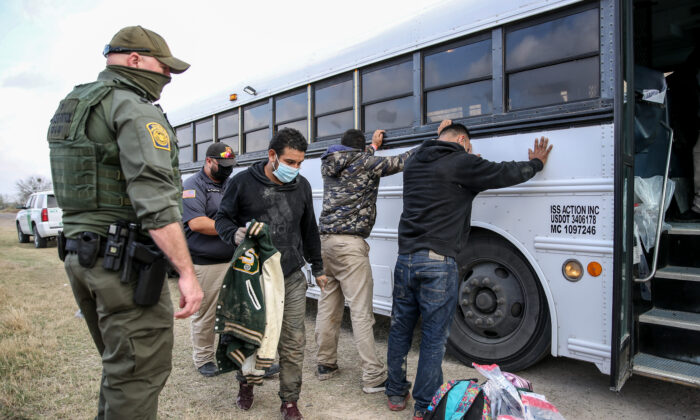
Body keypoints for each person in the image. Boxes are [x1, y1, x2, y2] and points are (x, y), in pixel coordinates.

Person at [47, 26, 203, 419]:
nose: (166, 77)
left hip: (82, 255)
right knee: (138, 373)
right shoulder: (132, 107)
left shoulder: (76, 102)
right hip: (122, 263)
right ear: (134, 59)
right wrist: (186, 272)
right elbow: (153, 199)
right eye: (163, 67)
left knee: (120, 369)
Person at [385, 120, 553, 420]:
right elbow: (503, 172)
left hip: (405, 260)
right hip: (437, 262)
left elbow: (436, 155)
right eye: (468, 145)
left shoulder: (414, 163)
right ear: (462, 140)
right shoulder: (460, 162)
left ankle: (395, 392)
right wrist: (535, 164)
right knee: (435, 337)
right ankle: (424, 407)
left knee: (400, 329)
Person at [214, 127, 327, 420]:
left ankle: (290, 400)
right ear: (272, 155)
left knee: (293, 340)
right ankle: (246, 383)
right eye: (290, 162)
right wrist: (234, 234)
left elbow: (309, 229)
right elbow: (222, 219)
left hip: (290, 274)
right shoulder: (242, 183)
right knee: (251, 333)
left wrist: (318, 267)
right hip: (253, 276)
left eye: (300, 163)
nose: (296, 168)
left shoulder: (301, 186)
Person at [314, 128, 416, 394]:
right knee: (360, 312)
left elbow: (360, 158)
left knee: (328, 305)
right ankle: (372, 375)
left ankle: (325, 364)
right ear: (359, 151)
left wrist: (372, 147)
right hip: (350, 246)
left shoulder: (331, 162)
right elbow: (404, 160)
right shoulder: (363, 162)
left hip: (325, 242)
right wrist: (440, 141)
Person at [183, 143, 237, 377]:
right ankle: (204, 358)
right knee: (206, 313)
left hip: (232, 257)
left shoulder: (230, 184)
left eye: (230, 166)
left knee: (234, 311)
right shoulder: (193, 186)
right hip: (206, 261)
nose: (227, 170)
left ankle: (231, 355)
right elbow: (197, 222)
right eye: (222, 166)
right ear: (208, 161)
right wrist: (232, 228)